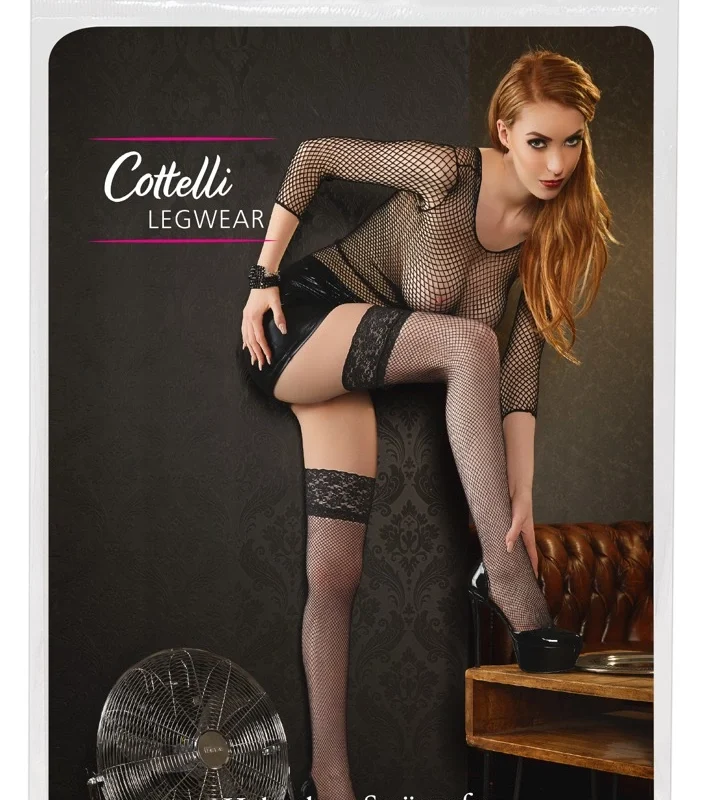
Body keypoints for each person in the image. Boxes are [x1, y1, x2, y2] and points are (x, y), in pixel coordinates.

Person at [240, 49, 617, 800]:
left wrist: (523, 497)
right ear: (504, 131)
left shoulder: (546, 237)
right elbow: (315, 158)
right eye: (539, 141)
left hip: (355, 366)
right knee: (467, 343)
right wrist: (262, 278)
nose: (557, 163)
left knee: (335, 573)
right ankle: (509, 586)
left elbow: (519, 377)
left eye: (572, 142)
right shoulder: (445, 174)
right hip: (300, 323)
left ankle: (329, 781)